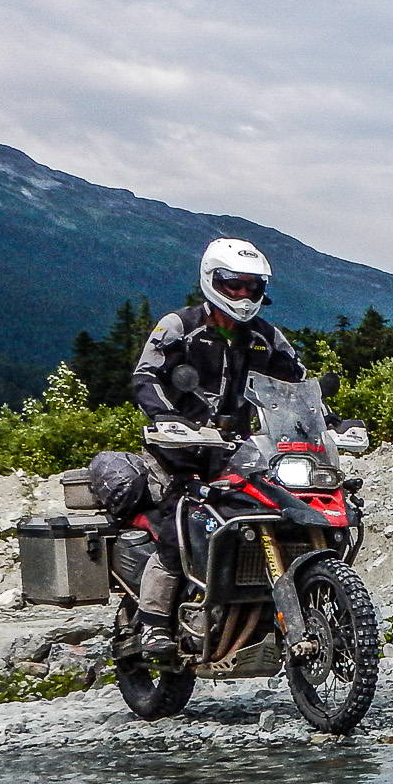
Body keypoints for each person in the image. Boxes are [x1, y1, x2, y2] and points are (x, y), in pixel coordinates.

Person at [121, 237, 307, 657]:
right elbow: (145, 377)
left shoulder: (266, 337)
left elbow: (297, 384)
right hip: (177, 451)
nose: (243, 294)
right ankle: (152, 626)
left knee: (280, 510)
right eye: (233, 284)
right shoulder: (179, 327)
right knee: (178, 525)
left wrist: (327, 421)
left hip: (237, 454)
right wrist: (167, 417)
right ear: (212, 280)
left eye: (251, 286)